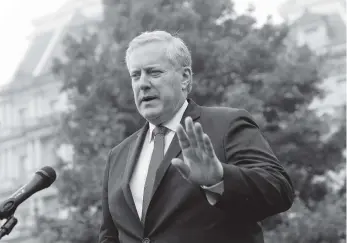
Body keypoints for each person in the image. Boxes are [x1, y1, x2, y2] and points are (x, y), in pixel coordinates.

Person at [98, 30, 295, 243]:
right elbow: (110, 235)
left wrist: (219, 179)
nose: (142, 84)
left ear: (185, 77)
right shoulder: (118, 155)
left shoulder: (227, 124)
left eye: (154, 73)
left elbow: (279, 189)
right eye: (136, 75)